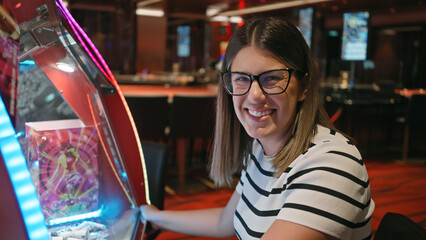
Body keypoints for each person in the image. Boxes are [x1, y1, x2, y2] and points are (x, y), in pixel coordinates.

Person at [140, 16, 375, 240]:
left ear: (304, 86)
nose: (254, 95)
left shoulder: (331, 164)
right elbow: (226, 220)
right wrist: (157, 217)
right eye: (241, 78)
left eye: (271, 78)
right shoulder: (261, 147)